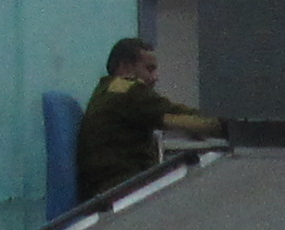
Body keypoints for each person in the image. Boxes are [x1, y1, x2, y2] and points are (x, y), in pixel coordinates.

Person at [71, 36, 222, 202]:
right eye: (149, 69)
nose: (155, 77)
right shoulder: (127, 91)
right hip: (121, 192)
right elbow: (179, 117)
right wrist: (230, 126)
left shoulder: (105, 90)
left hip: (107, 191)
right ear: (125, 67)